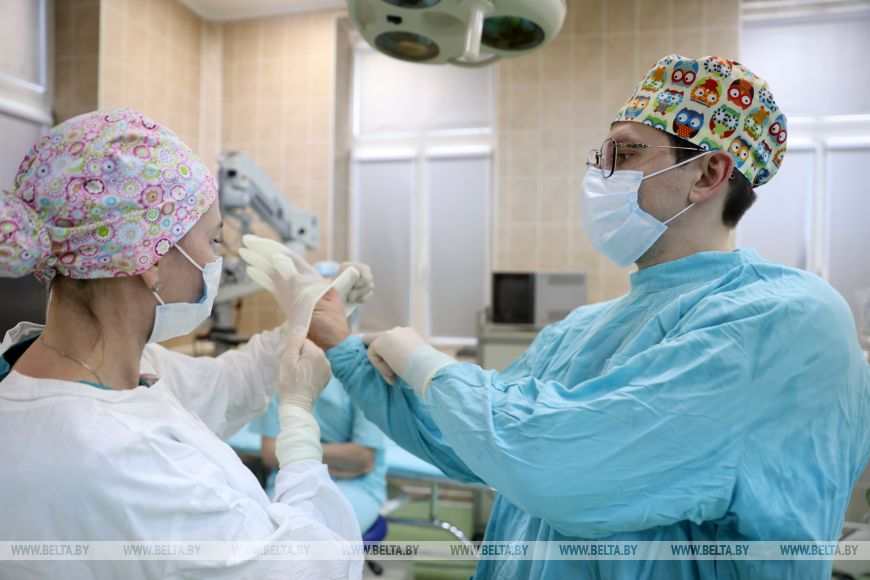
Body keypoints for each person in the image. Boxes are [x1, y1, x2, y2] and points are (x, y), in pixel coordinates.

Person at [305, 55, 870, 578]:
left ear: (707, 174)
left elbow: (551, 462)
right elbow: (472, 446)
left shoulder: (785, 319)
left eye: (624, 154)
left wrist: (426, 363)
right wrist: (343, 344)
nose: (600, 173)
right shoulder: (582, 329)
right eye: (601, 156)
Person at [0, 109, 366, 579]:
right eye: (213, 241)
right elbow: (314, 566)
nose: (215, 261)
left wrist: (306, 318)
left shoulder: (46, 364)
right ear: (151, 258)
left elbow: (223, 386)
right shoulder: (127, 461)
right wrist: (298, 425)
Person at [252, 379, 387, 533]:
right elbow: (270, 453)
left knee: (310, 533)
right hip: (290, 482)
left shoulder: (364, 377)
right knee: (266, 532)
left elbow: (363, 458)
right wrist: (334, 462)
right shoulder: (280, 377)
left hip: (357, 485)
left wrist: (296, 454)